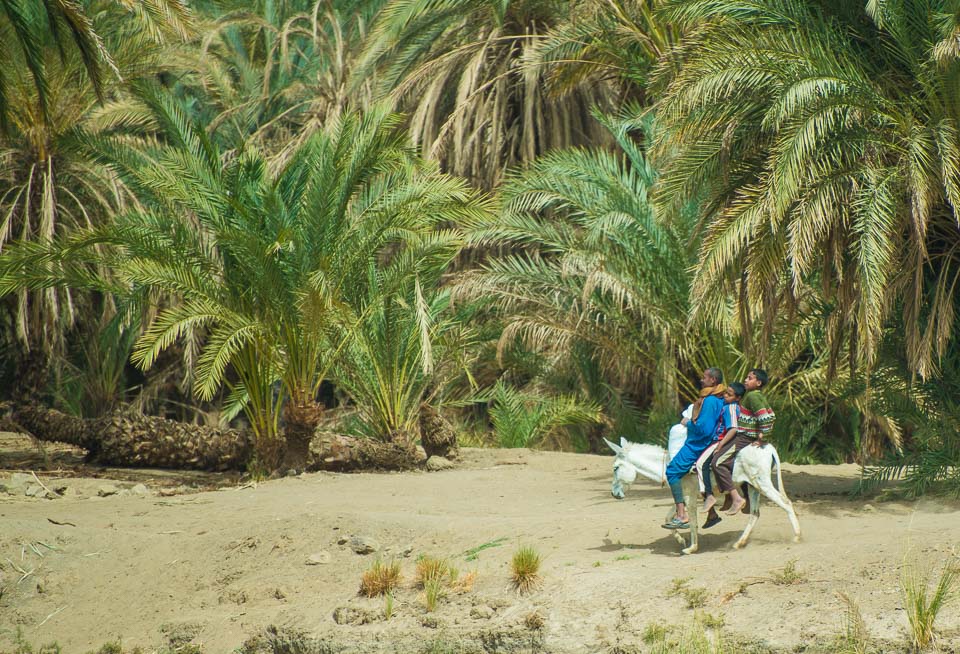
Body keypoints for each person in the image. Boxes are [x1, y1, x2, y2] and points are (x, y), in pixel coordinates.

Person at [662, 367, 726, 530]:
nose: (701, 380)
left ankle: (682, 515)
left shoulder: (710, 401)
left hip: (698, 444)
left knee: (672, 471)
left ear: (713, 380)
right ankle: (711, 514)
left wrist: (688, 423)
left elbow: (704, 429)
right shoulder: (718, 398)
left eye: (704, 377)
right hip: (701, 442)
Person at [716, 368, 776, 514]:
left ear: (758, 382)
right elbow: (772, 416)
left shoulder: (751, 397)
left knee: (717, 463)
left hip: (743, 438)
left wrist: (762, 437)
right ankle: (744, 499)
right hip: (749, 437)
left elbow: (765, 418)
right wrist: (763, 434)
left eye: (750, 378)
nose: (746, 380)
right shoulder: (759, 396)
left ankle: (735, 497)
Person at [701, 382, 745, 521]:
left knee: (716, 463)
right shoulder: (727, 406)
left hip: (729, 440)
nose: (725, 396)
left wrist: (721, 445)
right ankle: (727, 497)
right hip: (723, 439)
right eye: (725, 393)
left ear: (737, 398)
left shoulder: (731, 407)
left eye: (729, 394)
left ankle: (735, 497)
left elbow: (733, 429)